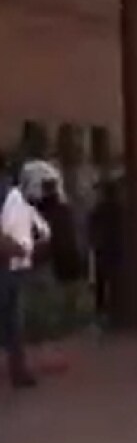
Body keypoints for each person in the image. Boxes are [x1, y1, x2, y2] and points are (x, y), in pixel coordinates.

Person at [0, 158, 43, 390]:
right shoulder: (9, 195)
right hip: (9, 262)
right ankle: (19, 370)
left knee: (13, 320)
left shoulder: (12, 196)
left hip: (13, 264)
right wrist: (16, 248)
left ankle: (19, 369)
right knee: (12, 319)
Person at [88, 177, 123, 325]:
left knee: (101, 282)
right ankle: (114, 308)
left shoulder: (99, 210)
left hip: (103, 248)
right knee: (114, 280)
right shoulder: (119, 210)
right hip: (114, 248)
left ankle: (101, 310)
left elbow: (92, 229)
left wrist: (94, 242)